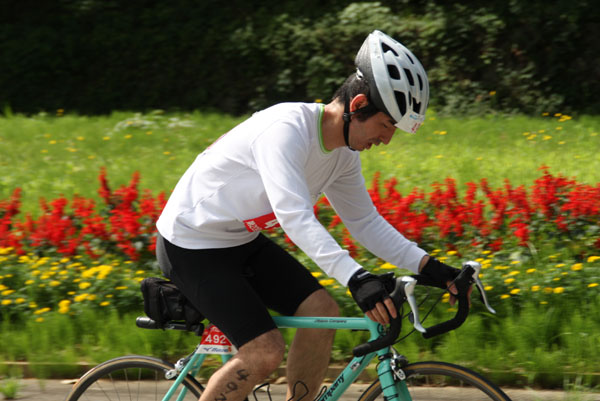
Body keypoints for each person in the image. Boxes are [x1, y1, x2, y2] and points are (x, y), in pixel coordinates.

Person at [155, 30, 463, 401]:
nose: (387, 140)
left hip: (239, 241)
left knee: (322, 312)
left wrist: (432, 268)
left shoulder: (343, 156)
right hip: (191, 245)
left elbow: (365, 222)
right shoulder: (286, 130)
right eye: (386, 125)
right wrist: (356, 278)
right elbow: (294, 215)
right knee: (264, 351)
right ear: (358, 105)